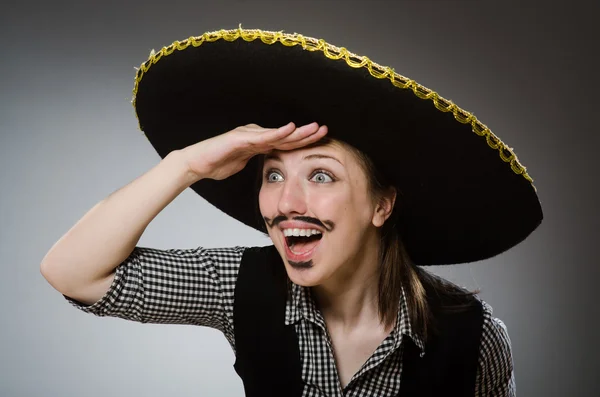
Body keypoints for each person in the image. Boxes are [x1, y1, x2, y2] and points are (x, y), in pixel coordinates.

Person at [40, 27, 543, 396]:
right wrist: (186, 165)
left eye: (321, 176)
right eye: (273, 175)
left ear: (382, 204)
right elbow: (72, 272)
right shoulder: (237, 284)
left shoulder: (473, 336)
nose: (285, 204)